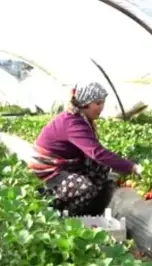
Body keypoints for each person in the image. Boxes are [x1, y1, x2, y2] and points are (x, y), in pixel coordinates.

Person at [29, 81, 143, 216]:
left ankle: (88, 205)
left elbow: (97, 155)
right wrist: (133, 167)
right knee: (84, 188)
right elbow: (97, 153)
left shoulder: (81, 118)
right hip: (48, 173)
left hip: (65, 165)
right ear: (85, 104)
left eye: (103, 103)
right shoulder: (72, 122)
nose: (102, 107)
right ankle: (63, 215)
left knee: (102, 169)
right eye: (98, 103)